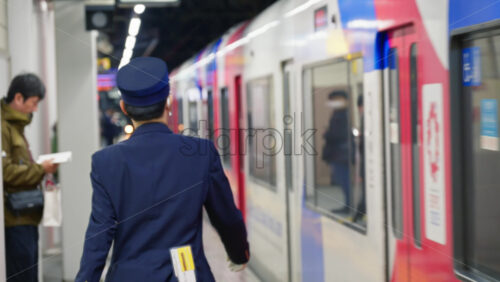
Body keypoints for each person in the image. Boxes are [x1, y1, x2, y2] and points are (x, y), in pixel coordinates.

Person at [76, 57, 249, 282]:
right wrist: (238, 253)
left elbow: (98, 238)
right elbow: (225, 216)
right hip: (186, 273)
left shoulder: (105, 162)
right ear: (168, 102)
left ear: (124, 107)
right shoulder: (201, 153)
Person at [2, 73, 59, 282]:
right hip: (14, 217)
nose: (35, 109)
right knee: (21, 275)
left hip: (25, 214)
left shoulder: (16, 126)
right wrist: (40, 169)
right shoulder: (4, 128)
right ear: (18, 98)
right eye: (34, 103)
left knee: (29, 272)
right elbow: (5, 172)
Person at [321, 90, 350, 214]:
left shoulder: (342, 115)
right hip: (338, 154)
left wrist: (327, 134)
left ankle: (349, 205)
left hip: (341, 154)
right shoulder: (338, 113)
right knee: (341, 180)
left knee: (344, 180)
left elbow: (338, 134)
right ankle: (348, 204)